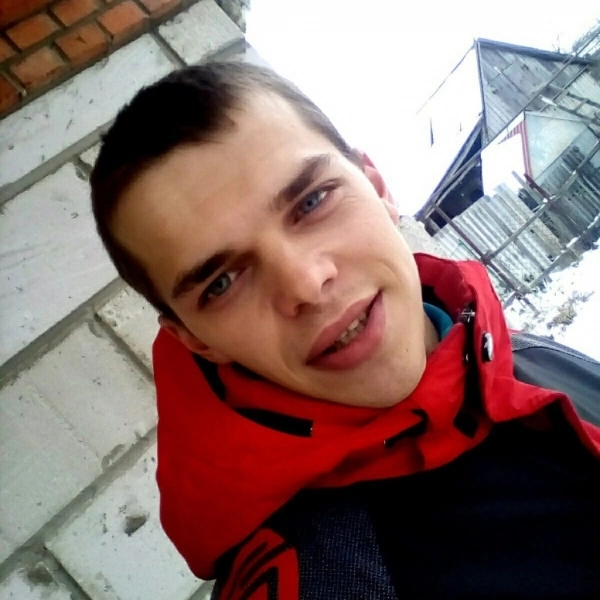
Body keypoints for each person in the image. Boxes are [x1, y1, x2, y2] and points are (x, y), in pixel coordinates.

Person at [90, 62, 600, 599]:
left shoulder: (529, 357)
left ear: (377, 185)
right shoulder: (322, 579)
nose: (307, 285)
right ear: (196, 340)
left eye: (312, 201)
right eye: (221, 283)